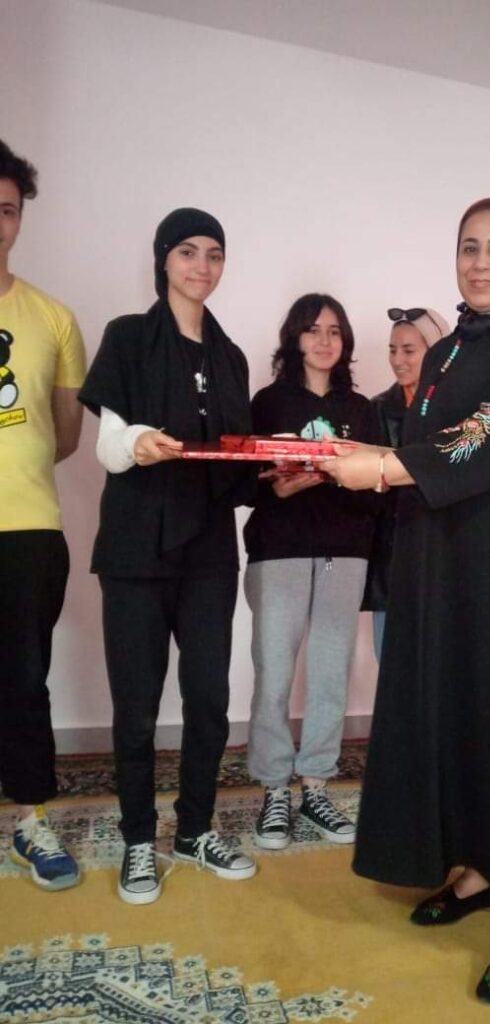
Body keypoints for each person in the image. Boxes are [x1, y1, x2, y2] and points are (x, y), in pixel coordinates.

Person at [324, 198, 490, 1004]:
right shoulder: (441, 354)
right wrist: (356, 454)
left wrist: (384, 468)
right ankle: (479, 868)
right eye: (469, 247)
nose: (481, 262)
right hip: (454, 566)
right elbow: (425, 448)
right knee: (467, 710)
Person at [79, 208, 256, 904]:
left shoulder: (230, 356)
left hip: (209, 549)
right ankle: (137, 840)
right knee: (137, 707)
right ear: (163, 258)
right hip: (135, 550)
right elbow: (108, 445)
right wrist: (139, 442)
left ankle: (195, 830)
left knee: (209, 698)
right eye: (188, 251)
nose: (202, 266)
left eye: (214, 253)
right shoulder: (127, 337)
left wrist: (276, 473)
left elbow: (234, 456)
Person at [244, 293, 377, 852]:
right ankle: (275, 789)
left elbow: (380, 482)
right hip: (279, 551)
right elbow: (243, 479)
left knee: (329, 675)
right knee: (274, 674)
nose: (325, 340)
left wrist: (349, 475)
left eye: (334, 331)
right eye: (313, 330)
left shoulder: (361, 408)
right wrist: (275, 488)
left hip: (344, 553)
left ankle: (316, 786)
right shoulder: (267, 402)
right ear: (294, 338)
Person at [0, 140, 86, 891]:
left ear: (20, 218)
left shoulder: (54, 318)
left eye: (6, 209)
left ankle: (29, 821)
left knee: (24, 679)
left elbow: (64, 436)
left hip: (28, 528)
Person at [362, 306, 449, 659]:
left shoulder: (459, 410)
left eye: (409, 350)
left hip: (444, 554)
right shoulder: (376, 409)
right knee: (391, 660)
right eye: (392, 350)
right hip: (393, 556)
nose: (398, 360)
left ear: (437, 352)